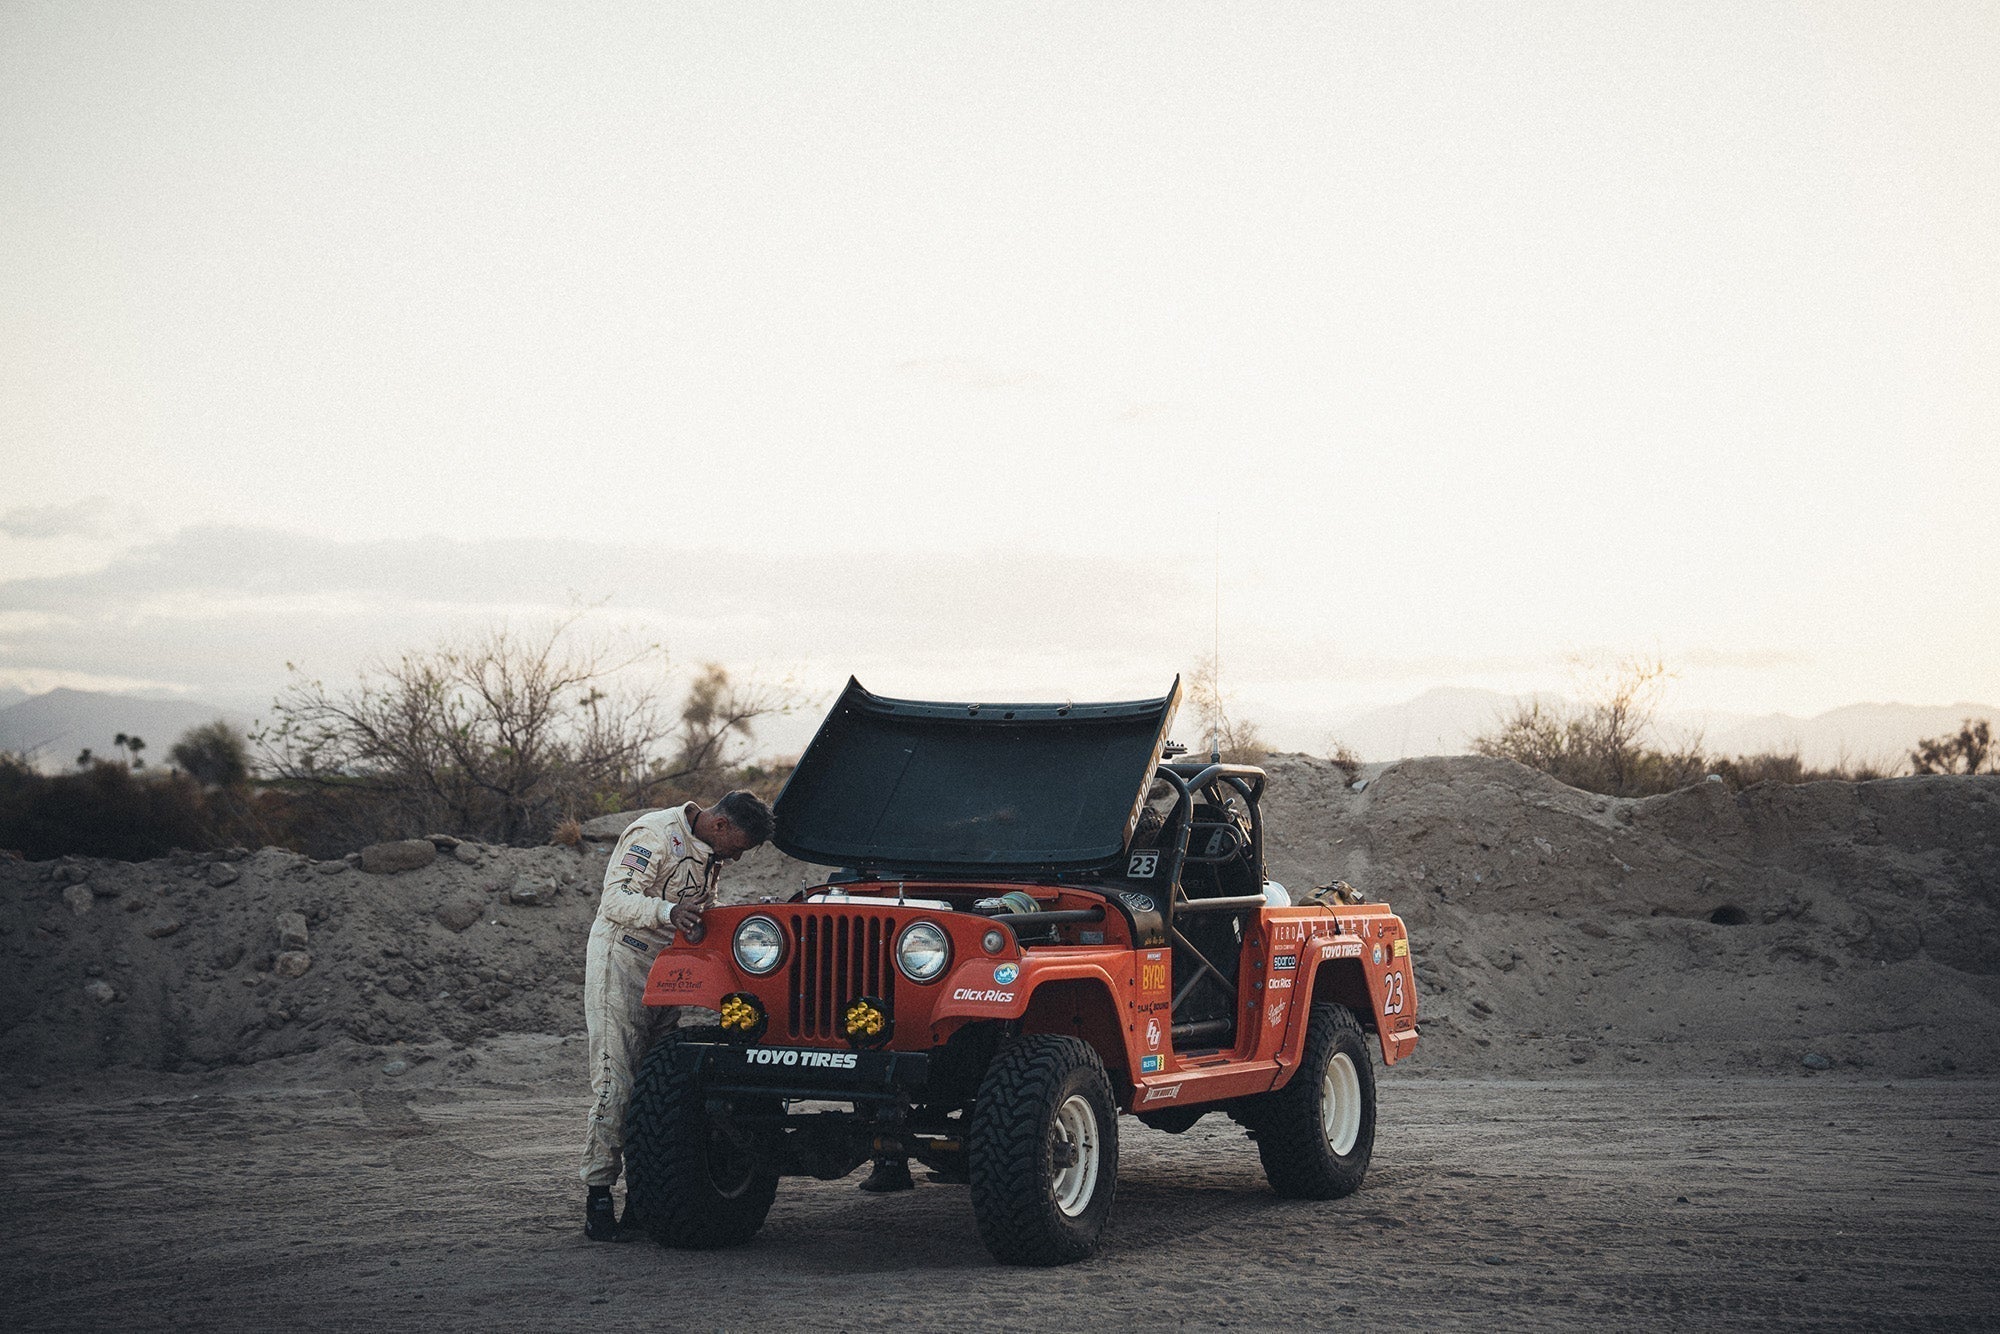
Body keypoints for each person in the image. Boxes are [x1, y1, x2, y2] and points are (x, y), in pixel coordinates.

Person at [580, 789, 774, 1241]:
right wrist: (668, 910)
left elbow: (699, 908)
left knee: (659, 1089)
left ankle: (642, 1199)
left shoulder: (707, 851)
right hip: (621, 962)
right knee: (616, 1084)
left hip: (667, 971)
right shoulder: (654, 834)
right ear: (721, 825)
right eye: (738, 849)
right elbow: (615, 900)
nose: (737, 858)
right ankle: (598, 1195)